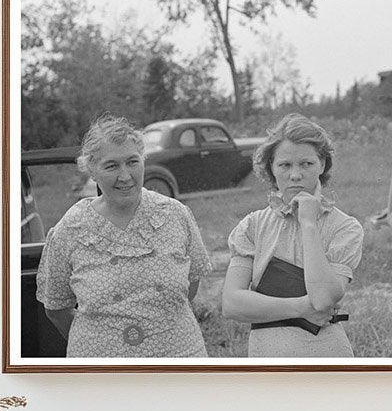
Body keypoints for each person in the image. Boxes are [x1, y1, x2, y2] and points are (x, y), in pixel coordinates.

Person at [36, 114, 211, 358]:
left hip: (178, 359)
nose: (125, 175)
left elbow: (191, 285)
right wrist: (101, 345)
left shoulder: (175, 215)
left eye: (132, 162)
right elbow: (56, 307)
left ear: (143, 161)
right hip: (102, 376)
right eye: (111, 166)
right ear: (92, 171)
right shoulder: (70, 229)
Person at [222, 114, 363, 358]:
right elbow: (232, 304)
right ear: (271, 169)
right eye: (285, 165)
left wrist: (308, 223)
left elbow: (323, 299)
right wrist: (300, 307)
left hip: (324, 360)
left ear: (322, 164)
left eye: (306, 164)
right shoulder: (253, 226)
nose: (295, 175)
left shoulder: (344, 227)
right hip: (265, 361)